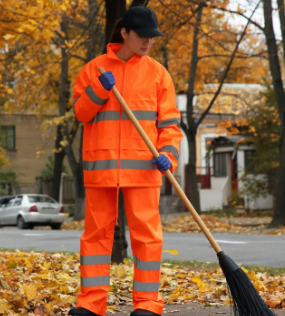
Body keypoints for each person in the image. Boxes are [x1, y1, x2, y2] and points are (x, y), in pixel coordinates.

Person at [69, 6, 182, 316]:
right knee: (96, 238)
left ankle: (147, 305)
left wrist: (167, 156)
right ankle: (91, 305)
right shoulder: (94, 69)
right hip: (101, 169)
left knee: (147, 238)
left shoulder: (158, 73)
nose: (148, 42)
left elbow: (170, 126)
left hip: (145, 168)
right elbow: (81, 113)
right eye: (143, 36)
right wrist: (98, 90)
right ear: (125, 33)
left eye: (152, 37)